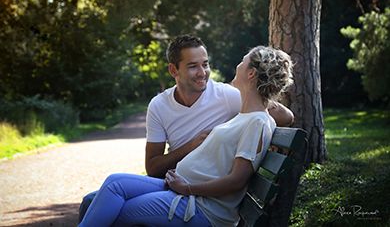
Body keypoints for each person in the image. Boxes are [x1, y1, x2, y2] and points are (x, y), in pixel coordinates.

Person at [77, 35, 294, 223]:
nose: (203, 72)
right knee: (112, 185)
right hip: (180, 187)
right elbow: (153, 167)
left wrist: (258, 99)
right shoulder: (244, 114)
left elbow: (239, 177)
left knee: (110, 210)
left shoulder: (246, 111)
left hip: (195, 201)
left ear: (251, 74)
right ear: (174, 70)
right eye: (192, 66)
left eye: (205, 64)